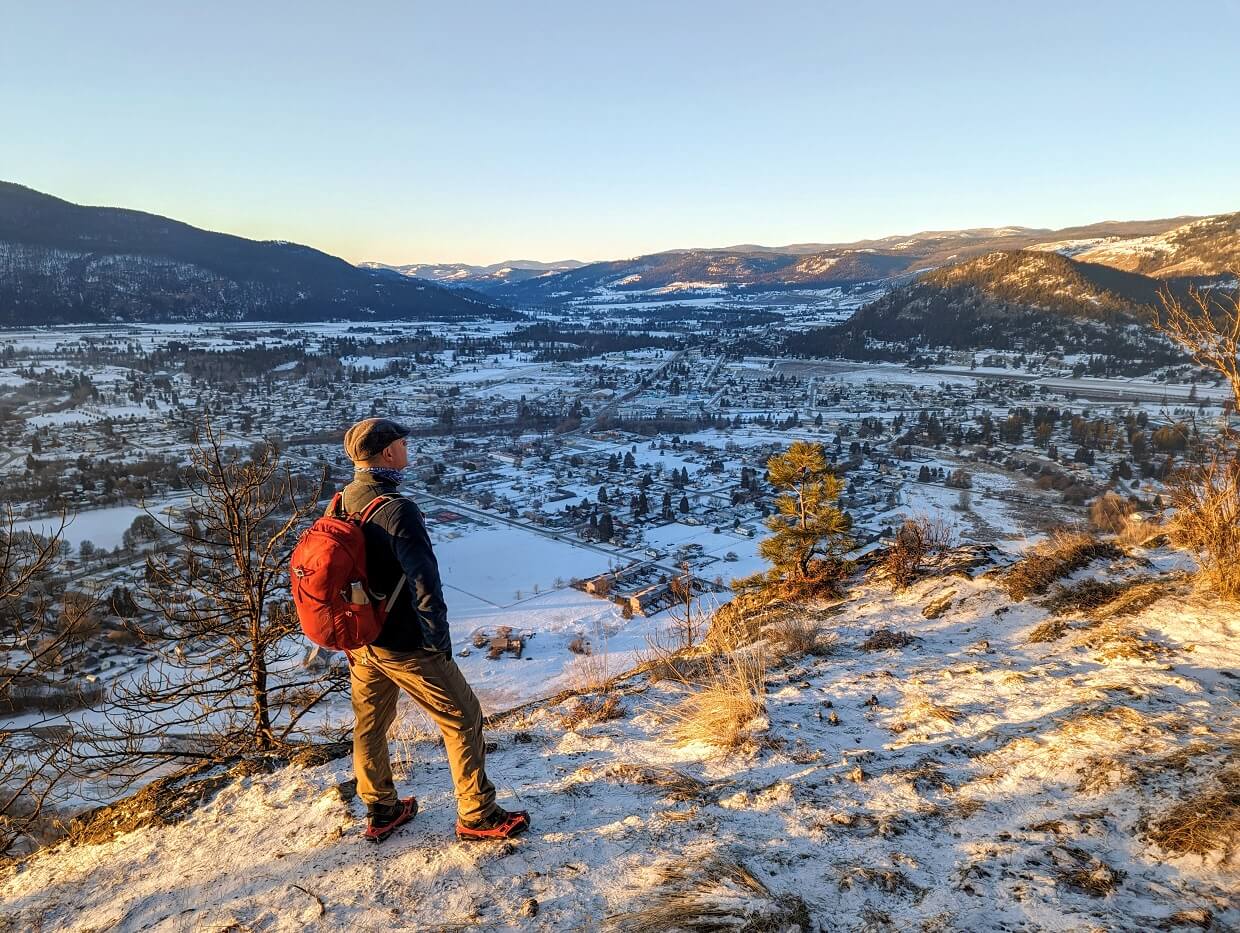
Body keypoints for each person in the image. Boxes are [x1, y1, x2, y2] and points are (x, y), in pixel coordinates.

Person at [339, 417, 530, 843]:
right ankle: (477, 814)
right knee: (463, 718)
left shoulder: (341, 503)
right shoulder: (396, 509)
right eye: (403, 444)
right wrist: (437, 643)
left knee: (370, 725)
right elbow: (425, 581)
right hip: (404, 643)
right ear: (388, 453)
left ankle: (381, 808)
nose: (408, 450)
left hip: (363, 641)